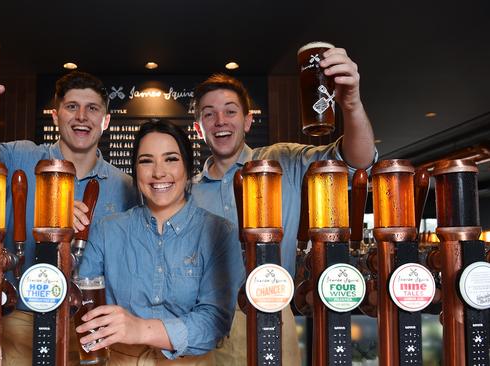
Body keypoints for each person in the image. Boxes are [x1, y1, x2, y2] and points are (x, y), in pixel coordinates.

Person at [0, 57, 136, 364]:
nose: (81, 116)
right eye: (71, 107)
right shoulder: (19, 157)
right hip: (21, 321)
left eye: (92, 108)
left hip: (93, 324)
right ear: (55, 116)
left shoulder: (126, 186)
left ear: (105, 120)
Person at [191, 47, 376, 365]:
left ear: (248, 121)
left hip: (275, 314)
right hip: (202, 324)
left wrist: (351, 103)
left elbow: (355, 161)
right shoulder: (186, 192)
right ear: (198, 127)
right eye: (208, 113)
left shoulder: (282, 161)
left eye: (231, 111)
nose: (220, 120)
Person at [77, 120, 245, 365]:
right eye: (146, 161)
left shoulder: (219, 231)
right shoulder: (106, 230)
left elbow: (214, 321)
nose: (158, 172)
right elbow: (81, 304)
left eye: (171, 159)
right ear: (135, 170)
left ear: (188, 167)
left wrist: (140, 329)